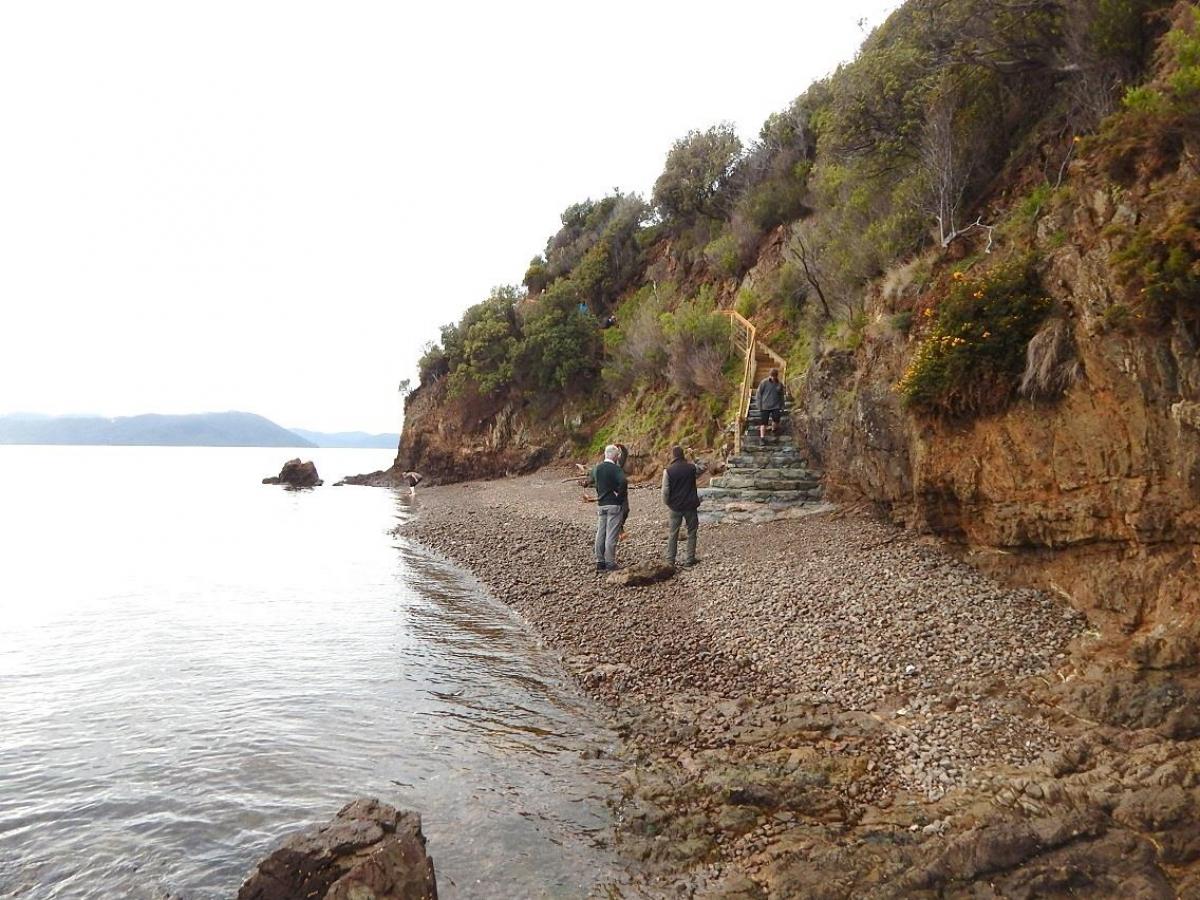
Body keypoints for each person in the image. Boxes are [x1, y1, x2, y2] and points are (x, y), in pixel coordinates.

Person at [662, 445, 705, 567]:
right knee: (692, 531)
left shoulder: (668, 471)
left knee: (673, 533)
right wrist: (694, 457)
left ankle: (670, 560)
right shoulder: (691, 468)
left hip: (675, 507)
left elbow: (665, 492)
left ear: (673, 456)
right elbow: (704, 467)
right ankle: (690, 558)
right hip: (690, 505)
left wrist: (668, 503)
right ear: (683, 455)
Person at [592, 444, 628, 572]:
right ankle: (610, 562)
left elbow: (594, 482)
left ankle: (599, 561)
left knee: (600, 533)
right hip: (614, 504)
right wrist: (620, 496)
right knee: (611, 535)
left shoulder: (597, 468)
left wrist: (599, 493)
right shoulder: (615, 469)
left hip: (601, 504)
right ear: (615, 456)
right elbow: (623, 481)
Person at [757, 368, 784, 441]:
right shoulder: (764, 382)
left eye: (774, 376)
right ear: (770, 375)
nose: (773, 378)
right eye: (772, 376)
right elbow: (759, 394)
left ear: (776, 376)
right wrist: (759, 405)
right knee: (763, 423)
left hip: (776, 406)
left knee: (776, 419)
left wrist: (782, 405)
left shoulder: (779, 384)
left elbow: (781, 395)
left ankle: (773, 430)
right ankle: (762, 438)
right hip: (765, 406)